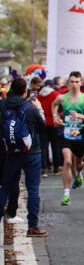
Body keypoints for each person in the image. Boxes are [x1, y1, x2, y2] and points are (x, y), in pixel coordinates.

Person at [0, 76, 47, 236]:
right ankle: (32, 226)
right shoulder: (30, 108)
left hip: (11, 151)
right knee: (33, 188)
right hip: (31, 152)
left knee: (5, 186)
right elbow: (42, 127)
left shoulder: (3, 105)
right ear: (25, 90)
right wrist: (39, 109)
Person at [52, 71, 84, 205]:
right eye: (72, 82)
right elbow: (53, 105)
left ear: (81, 83)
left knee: (79, 163)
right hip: (66, 134)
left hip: (79, 135)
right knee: (67, 161)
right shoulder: (61, 98)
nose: (74, 85)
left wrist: (79, 116)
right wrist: (55, 116)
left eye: (77, 82)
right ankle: (66, 195)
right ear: (68, 83)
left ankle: (78, 174)